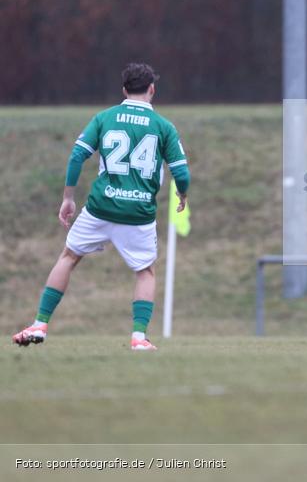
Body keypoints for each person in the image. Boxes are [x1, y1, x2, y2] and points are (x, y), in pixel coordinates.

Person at [13, 63, 190, 351]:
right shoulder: (164, 127)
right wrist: (183, 194)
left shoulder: (104, 118)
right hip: (138, 213)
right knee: (145, 271)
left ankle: (40, 324)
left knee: (68, 257)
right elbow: (181, 173)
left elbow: (76, 157)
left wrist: (68, 197)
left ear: (123, 90)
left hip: (100, 207)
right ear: (152, 89)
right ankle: (138, 337)